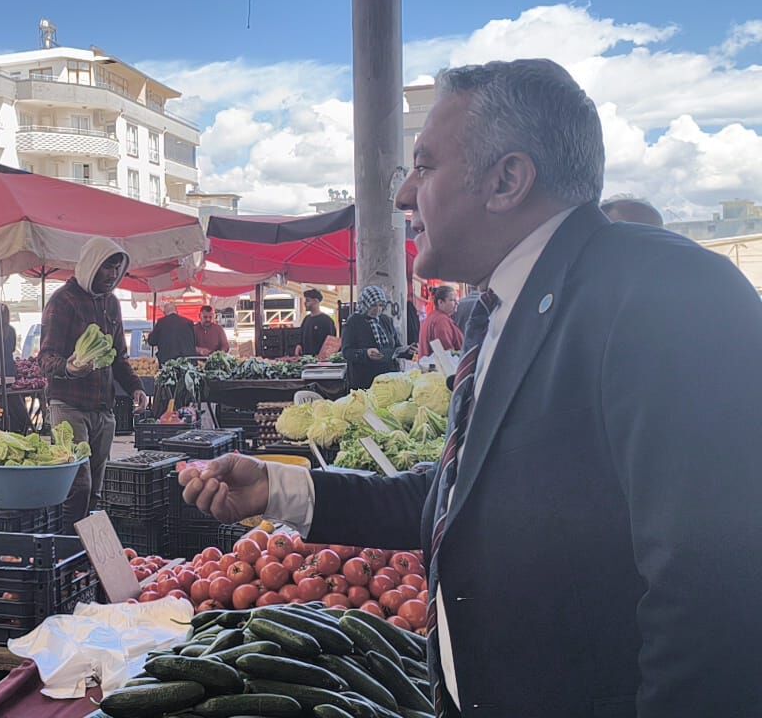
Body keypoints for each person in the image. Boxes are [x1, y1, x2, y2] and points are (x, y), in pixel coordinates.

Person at [176, 59, 762, 718]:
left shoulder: (670, 294)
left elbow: (715, 598)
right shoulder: (497, 312)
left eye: (424, 167)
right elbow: (460, 496)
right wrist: (277, 489)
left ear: (507, 180)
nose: (404, 197)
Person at [39, 237, 149, 523]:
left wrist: (135, 387)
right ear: (91, 265)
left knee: (95, 489)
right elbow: (46, 357)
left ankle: (87, 541)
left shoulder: (111, 303)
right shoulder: (63, 301)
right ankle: (68, 540)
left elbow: (118, 355)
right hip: (69, 406)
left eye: (117, 268)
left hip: (102, 408)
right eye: (107, 267)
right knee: (78, 485)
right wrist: (69, 367)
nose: (113, 275)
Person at [340, 285, 402, 390]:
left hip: (388, 379)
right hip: (364, 381)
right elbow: (346, 352)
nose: (378, 309)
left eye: (381, 305)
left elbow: (396, 346)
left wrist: (407, 351)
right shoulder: (354, 322)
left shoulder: (386, 320)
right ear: (366, 304)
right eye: (373, 305)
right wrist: (366, 353)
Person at [0, 304, 29, 433]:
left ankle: (3, 429)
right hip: (9, 369)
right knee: (14, 401)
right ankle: (20, 428)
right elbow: (12, 349)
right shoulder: (10, 330)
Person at [418, 285, 464, 358]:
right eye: (452, 300)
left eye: (457, 300)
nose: (457, 303)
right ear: (440, 302)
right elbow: (446, 353)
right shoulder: (441, 320)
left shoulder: (433, 317)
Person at [294, 288, 336, 356]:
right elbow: (301, 335)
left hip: (321, 359)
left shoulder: (327, 320)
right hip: (306, 358)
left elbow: (331, 342)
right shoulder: (306, 319)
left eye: (308, 300)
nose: (305, 303)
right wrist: (299, 345)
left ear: (316, 301)